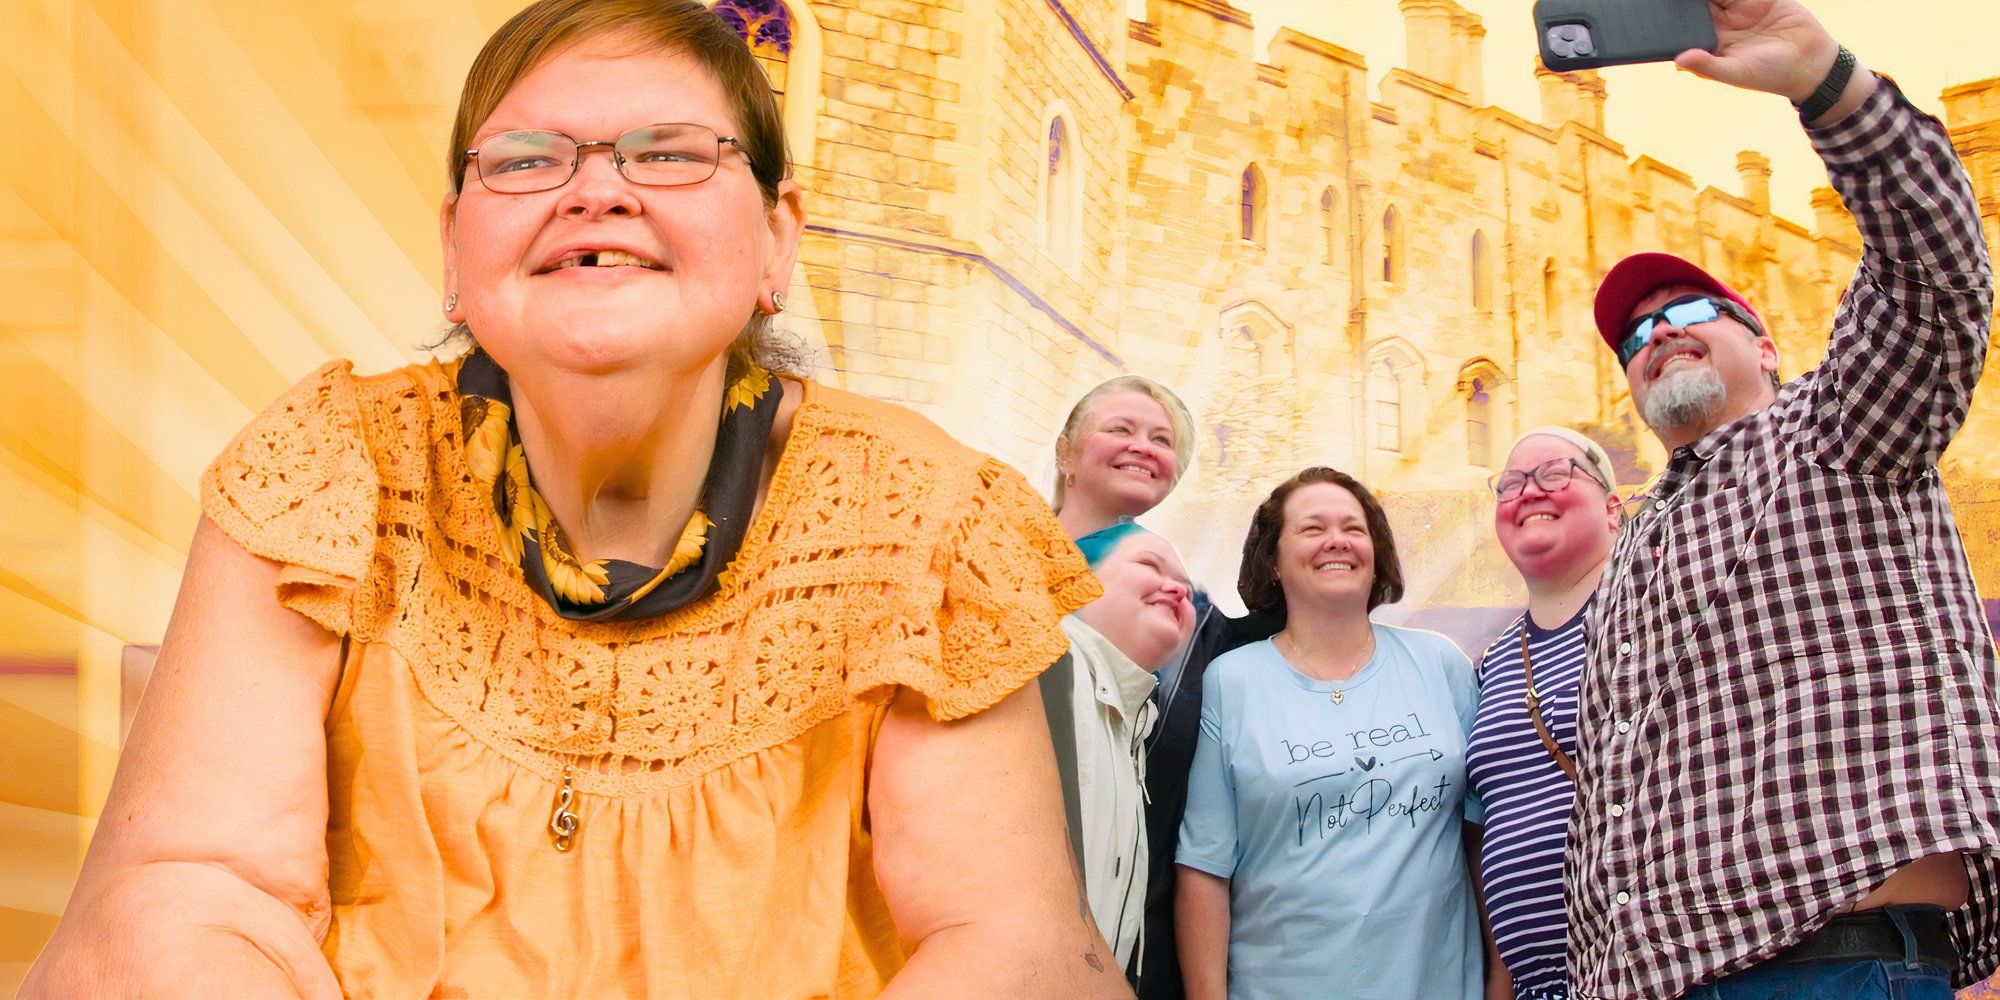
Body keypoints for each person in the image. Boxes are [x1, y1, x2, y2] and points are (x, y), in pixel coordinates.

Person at [22, 2, 1122, 996]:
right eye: (528, 158)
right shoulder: (330, 465)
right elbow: (187, 897)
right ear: (456, 249)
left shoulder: (921, 514)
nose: (597, 189)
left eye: (671, 153)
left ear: (777, 239)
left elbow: (1007, 944)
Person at [1569, 3, 2000, 996]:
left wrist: (1825, 81)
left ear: (1761, 344)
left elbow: (1932, 281)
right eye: (1632, 335)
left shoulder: (1836, 429)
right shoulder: (1633, 549)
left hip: (1828, 963)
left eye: (1686, 312)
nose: (1656, 335)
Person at [1175, 467, 1485, 1000]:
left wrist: (1501, 979)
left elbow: (1485, 838)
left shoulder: (1441, 664)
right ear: (1272, 560)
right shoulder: (1233, 680)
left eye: (1353, 528)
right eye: (1312, 528)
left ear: (1376, 552)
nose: (1336, 541)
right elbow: (1204, 866)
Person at [1044, 375, 1274, 997]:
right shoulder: (998, 565)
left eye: (1162, 439)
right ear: (1064, 451)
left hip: (1143, 937)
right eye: (1119, 428)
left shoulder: (1186, 616)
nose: (1143, 446)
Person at [1466, 428, 1622, 1000]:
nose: (1530, 491)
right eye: (1510, 484)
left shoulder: (1655, 607)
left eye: (1556, 474)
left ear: (1612, 508)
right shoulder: (1496, 660)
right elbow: (1491, 826)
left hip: (1652, 974)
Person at [1045, 522, 1198, 975]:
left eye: (1188, 590)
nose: (1177, 591)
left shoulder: (1130, 721)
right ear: (1075, 579)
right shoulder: (1046, 667)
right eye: (1148, 565)